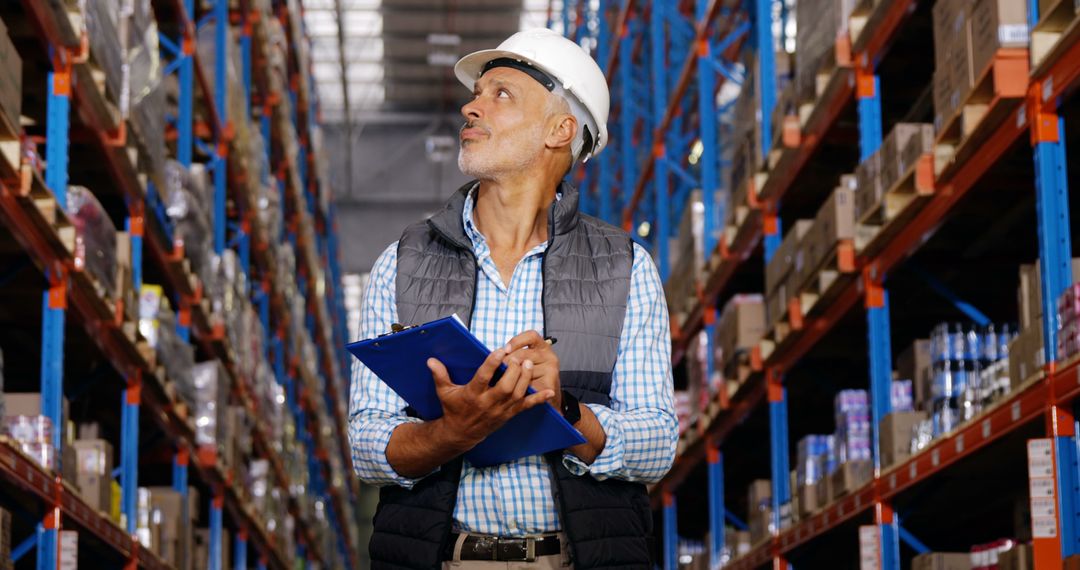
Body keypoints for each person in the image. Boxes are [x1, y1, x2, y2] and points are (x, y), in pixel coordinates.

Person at [349, 28, 678, 570]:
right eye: (478, 94)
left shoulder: (625, 267)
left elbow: (657, 443)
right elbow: (366, 444)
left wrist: (566, 410)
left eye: (500, 93)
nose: (470, 107)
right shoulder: (403, 261)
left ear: (559, 130)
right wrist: (453, 432)